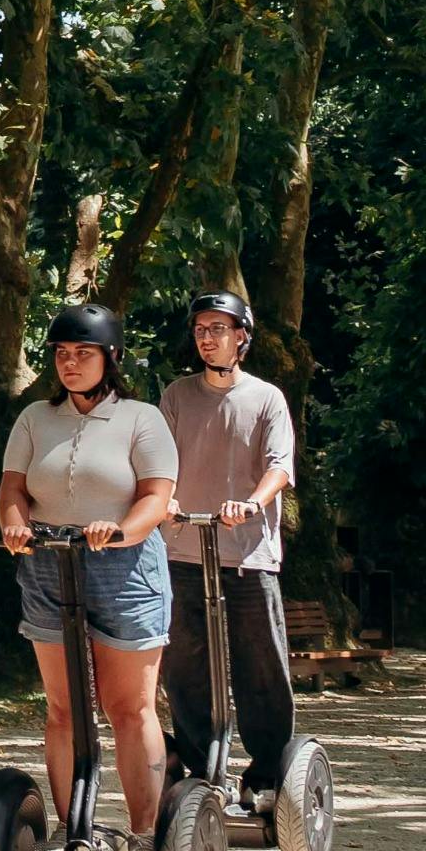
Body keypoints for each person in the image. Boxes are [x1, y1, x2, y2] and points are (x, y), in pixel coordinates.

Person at [0, 300, 182, 851]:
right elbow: (13, 489)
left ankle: (145, 837)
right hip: (49, 561)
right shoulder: (35, 418)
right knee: (63, 708)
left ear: (111, 357)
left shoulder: (141, 418)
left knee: (130, 708)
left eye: (83, 353)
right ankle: (69, 831)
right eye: (61, 353)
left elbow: (157, 496)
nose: (70, 363)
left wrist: (120, 530)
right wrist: (14, 526)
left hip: (125, 568)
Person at [159, 290, 296, 796]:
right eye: (200, 330)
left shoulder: (267, 398)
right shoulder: (177, 396)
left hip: (248, 556)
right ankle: (201, 771)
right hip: (183, 550)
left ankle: (266, 776)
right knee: (185, 666)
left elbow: (280, 466)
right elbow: (157, 461)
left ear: (241, 336)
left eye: (218, 329)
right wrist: (165, 498)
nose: (207, 338)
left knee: (261, 666)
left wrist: (253, 503)